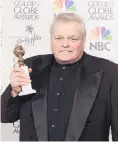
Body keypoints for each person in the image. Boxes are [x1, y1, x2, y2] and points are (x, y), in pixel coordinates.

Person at [1, 12, 118, 141]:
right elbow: (5, 116)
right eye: (59, 38)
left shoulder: (110, 73)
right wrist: (13, 92)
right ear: (51, 40)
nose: (65, 44)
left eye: (73, 38)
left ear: (83, 40)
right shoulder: (31, 67)